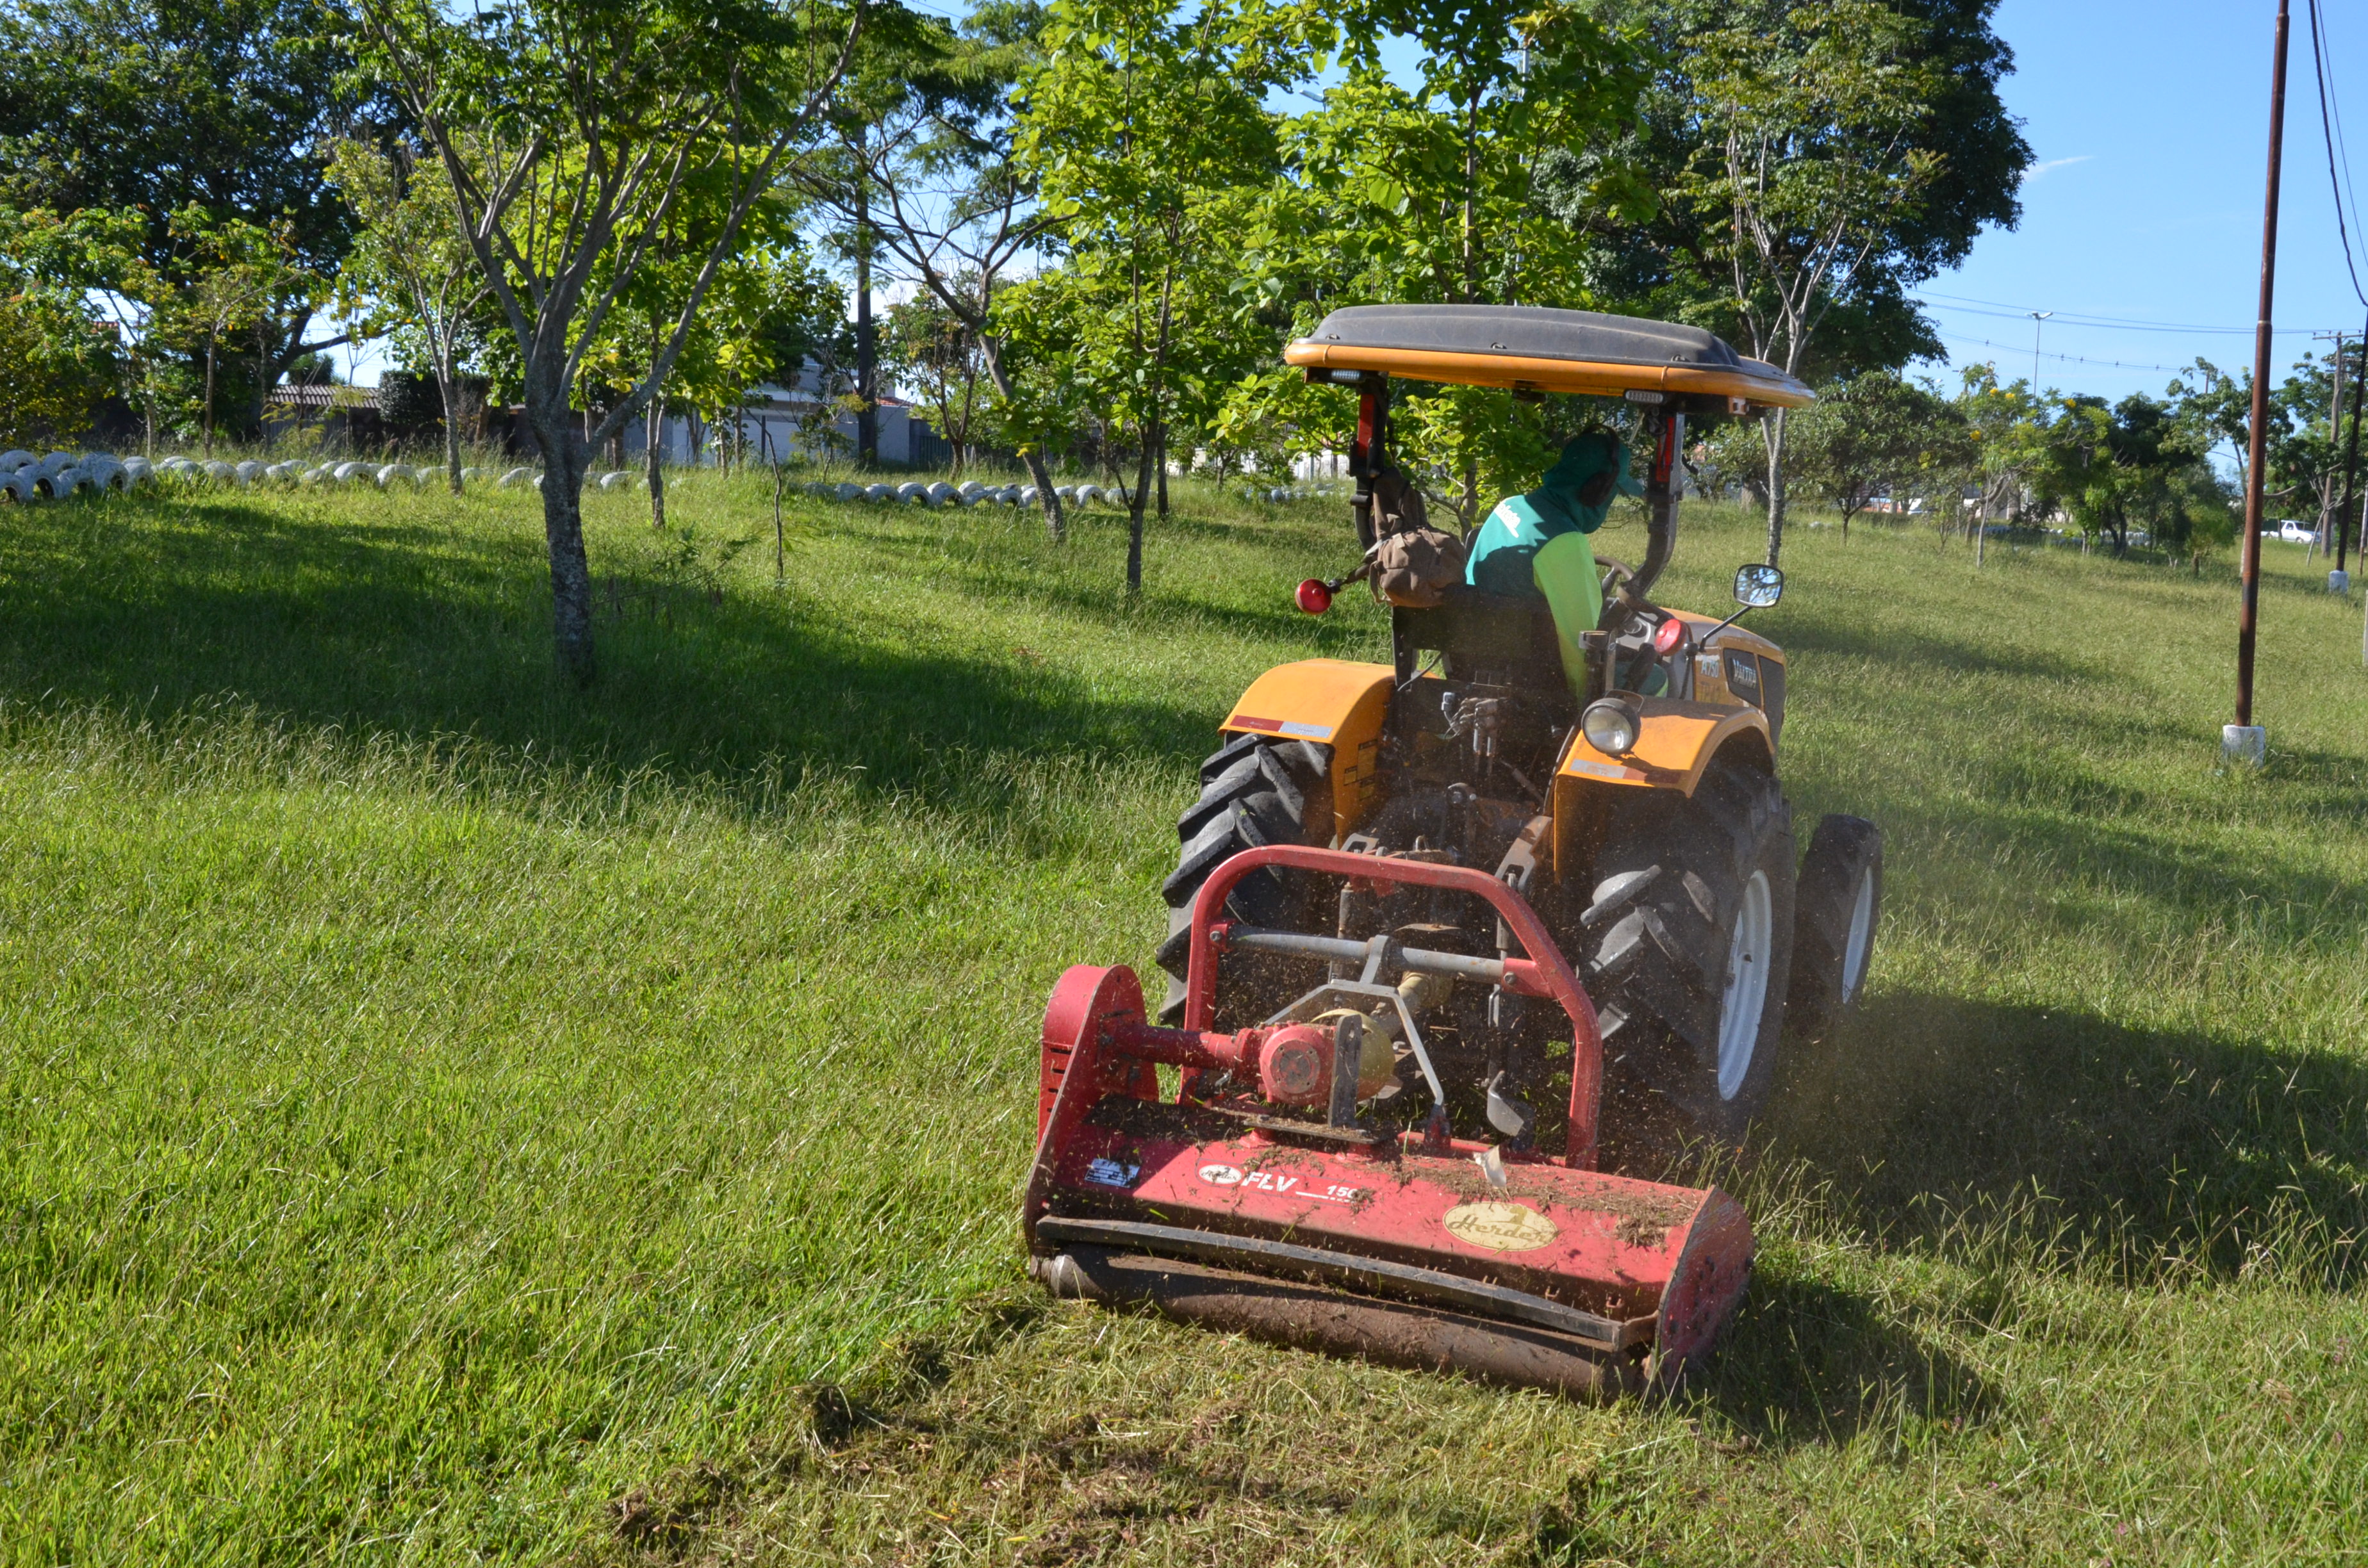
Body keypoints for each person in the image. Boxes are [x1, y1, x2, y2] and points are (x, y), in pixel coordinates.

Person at [1463, 432, 1643, 697]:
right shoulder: (1564, 542)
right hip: (1537, 687)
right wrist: (1589, 711)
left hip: (1476, 662)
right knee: (1658, 678)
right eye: (1613, 492)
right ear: (1598, 489)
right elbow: (1581, 649)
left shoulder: (1508, 506)